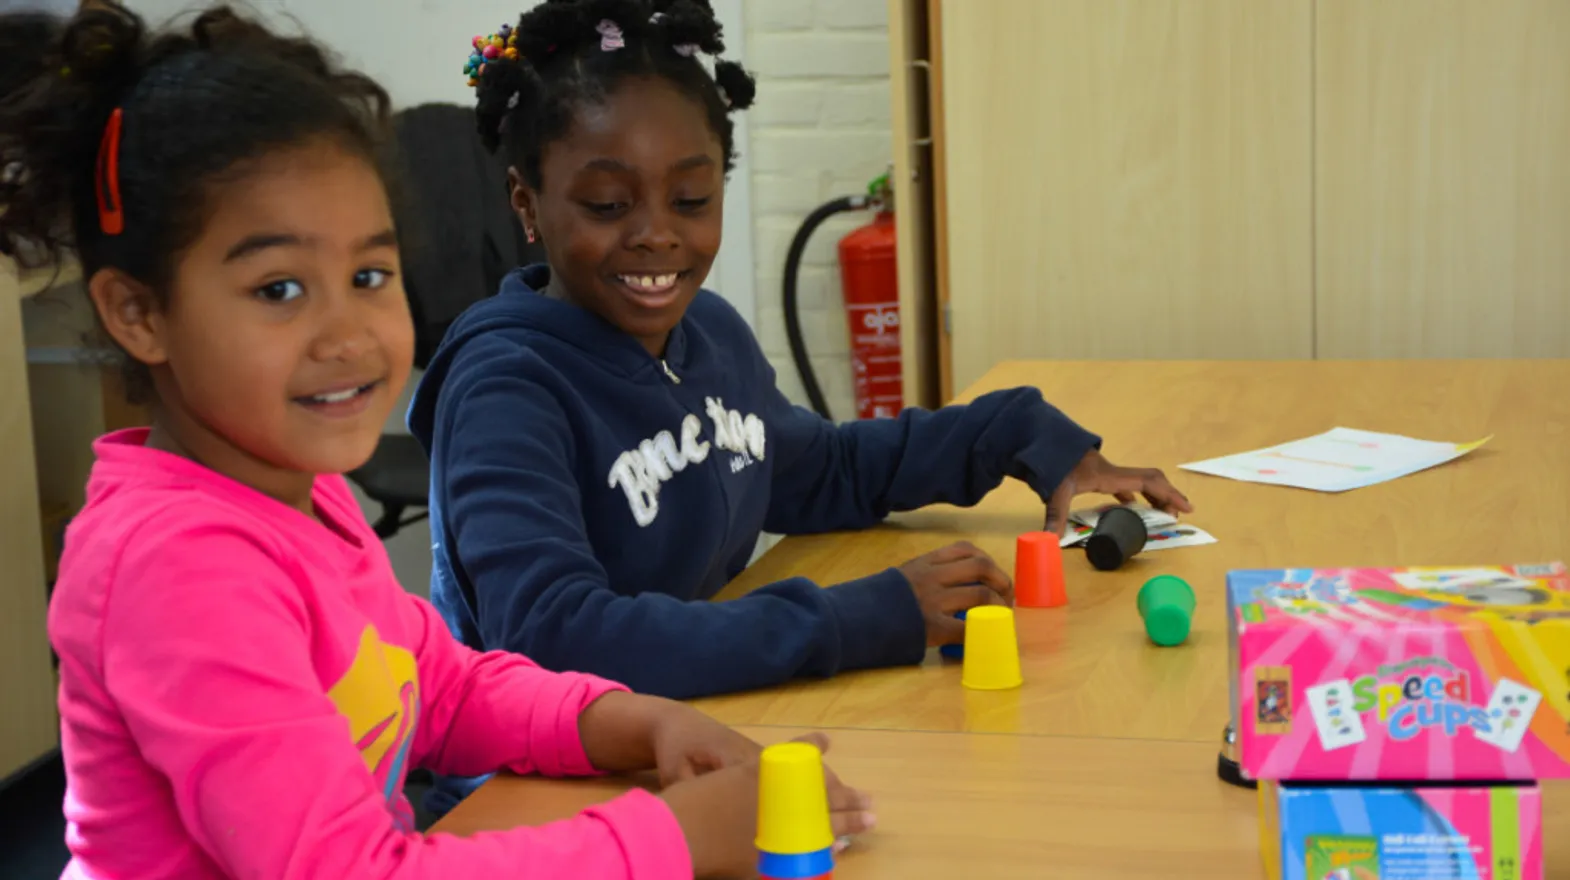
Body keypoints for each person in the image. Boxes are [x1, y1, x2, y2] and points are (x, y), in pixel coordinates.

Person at [0, 4, 871, 877]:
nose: (348, 333)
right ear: (138, 312)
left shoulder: (295, 490)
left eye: (368, 275)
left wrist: (632, 721)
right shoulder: (176, 569)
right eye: (277, 289)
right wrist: (676, 838)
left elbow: (440, 687)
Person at [411, 0, 1192, 703]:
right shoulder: (506, 390)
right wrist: (862, 617)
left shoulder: (708, 334)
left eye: (691, 200)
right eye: (609, 204)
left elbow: (825, 472)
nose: (656, 232)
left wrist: (1019, 433)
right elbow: (554, 637)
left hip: (694, 719)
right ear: (527, 203)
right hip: (536, 783)